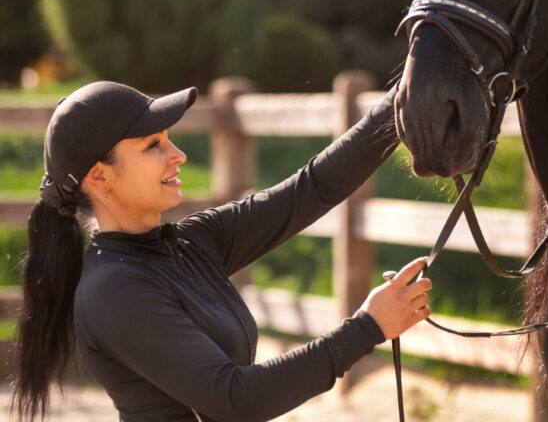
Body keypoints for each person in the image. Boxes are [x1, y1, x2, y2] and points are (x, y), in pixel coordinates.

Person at [12, 81, 431, 422]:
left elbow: (313, 188)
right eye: (153, 145)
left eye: (169, 140)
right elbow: (236, 399)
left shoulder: (192, 244)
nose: (178, 155)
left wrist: (403, 98)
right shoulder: (113, 290)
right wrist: (367, 328)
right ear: (100, 178)